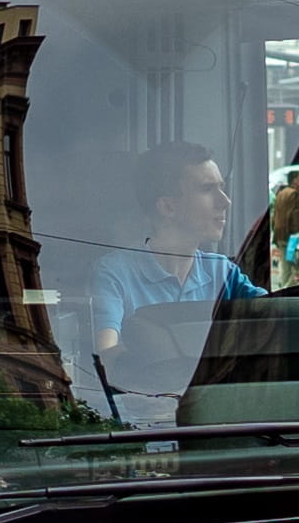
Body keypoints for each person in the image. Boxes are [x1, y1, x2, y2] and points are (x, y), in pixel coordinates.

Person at [89, 142, 262, 420]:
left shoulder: (222, 272)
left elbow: (277, 314)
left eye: (222, 187)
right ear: (167, 206)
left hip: (215, 420)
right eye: (207, 189)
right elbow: (107, 351)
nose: (225, 201)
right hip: (144, 423)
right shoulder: (115, 272)